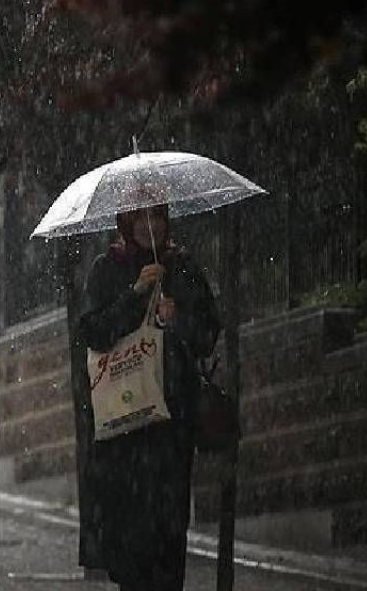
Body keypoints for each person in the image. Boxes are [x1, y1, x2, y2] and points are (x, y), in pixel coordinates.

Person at [79, 204, 220, 591]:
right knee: (130, 543)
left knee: (168, 538)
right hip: (125, 429)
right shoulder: (107, 269)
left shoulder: (182, 267)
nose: (149, 226)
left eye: (156, 217)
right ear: (125, 222)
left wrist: (178, 319)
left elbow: (208, 334)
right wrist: (135, 295)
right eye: (140, 218)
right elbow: (92, 332)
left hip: (170, 426)